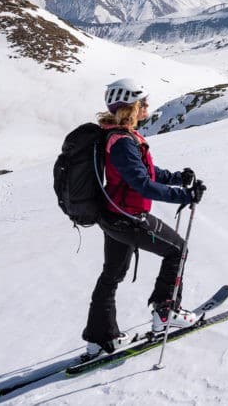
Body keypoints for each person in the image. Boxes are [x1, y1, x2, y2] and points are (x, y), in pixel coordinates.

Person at [81, 78, 208, 358]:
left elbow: (143, 172)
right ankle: (167, 312)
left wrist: (177, 178)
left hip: (112, 214)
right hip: (128, 217)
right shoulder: (123, 141)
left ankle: (100, 338)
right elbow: (143, 185)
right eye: (143, 102)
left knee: (111, 274)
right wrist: (184, 196)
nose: (147, 106)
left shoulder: (115, 135)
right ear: (130, 107)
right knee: (177, 249)